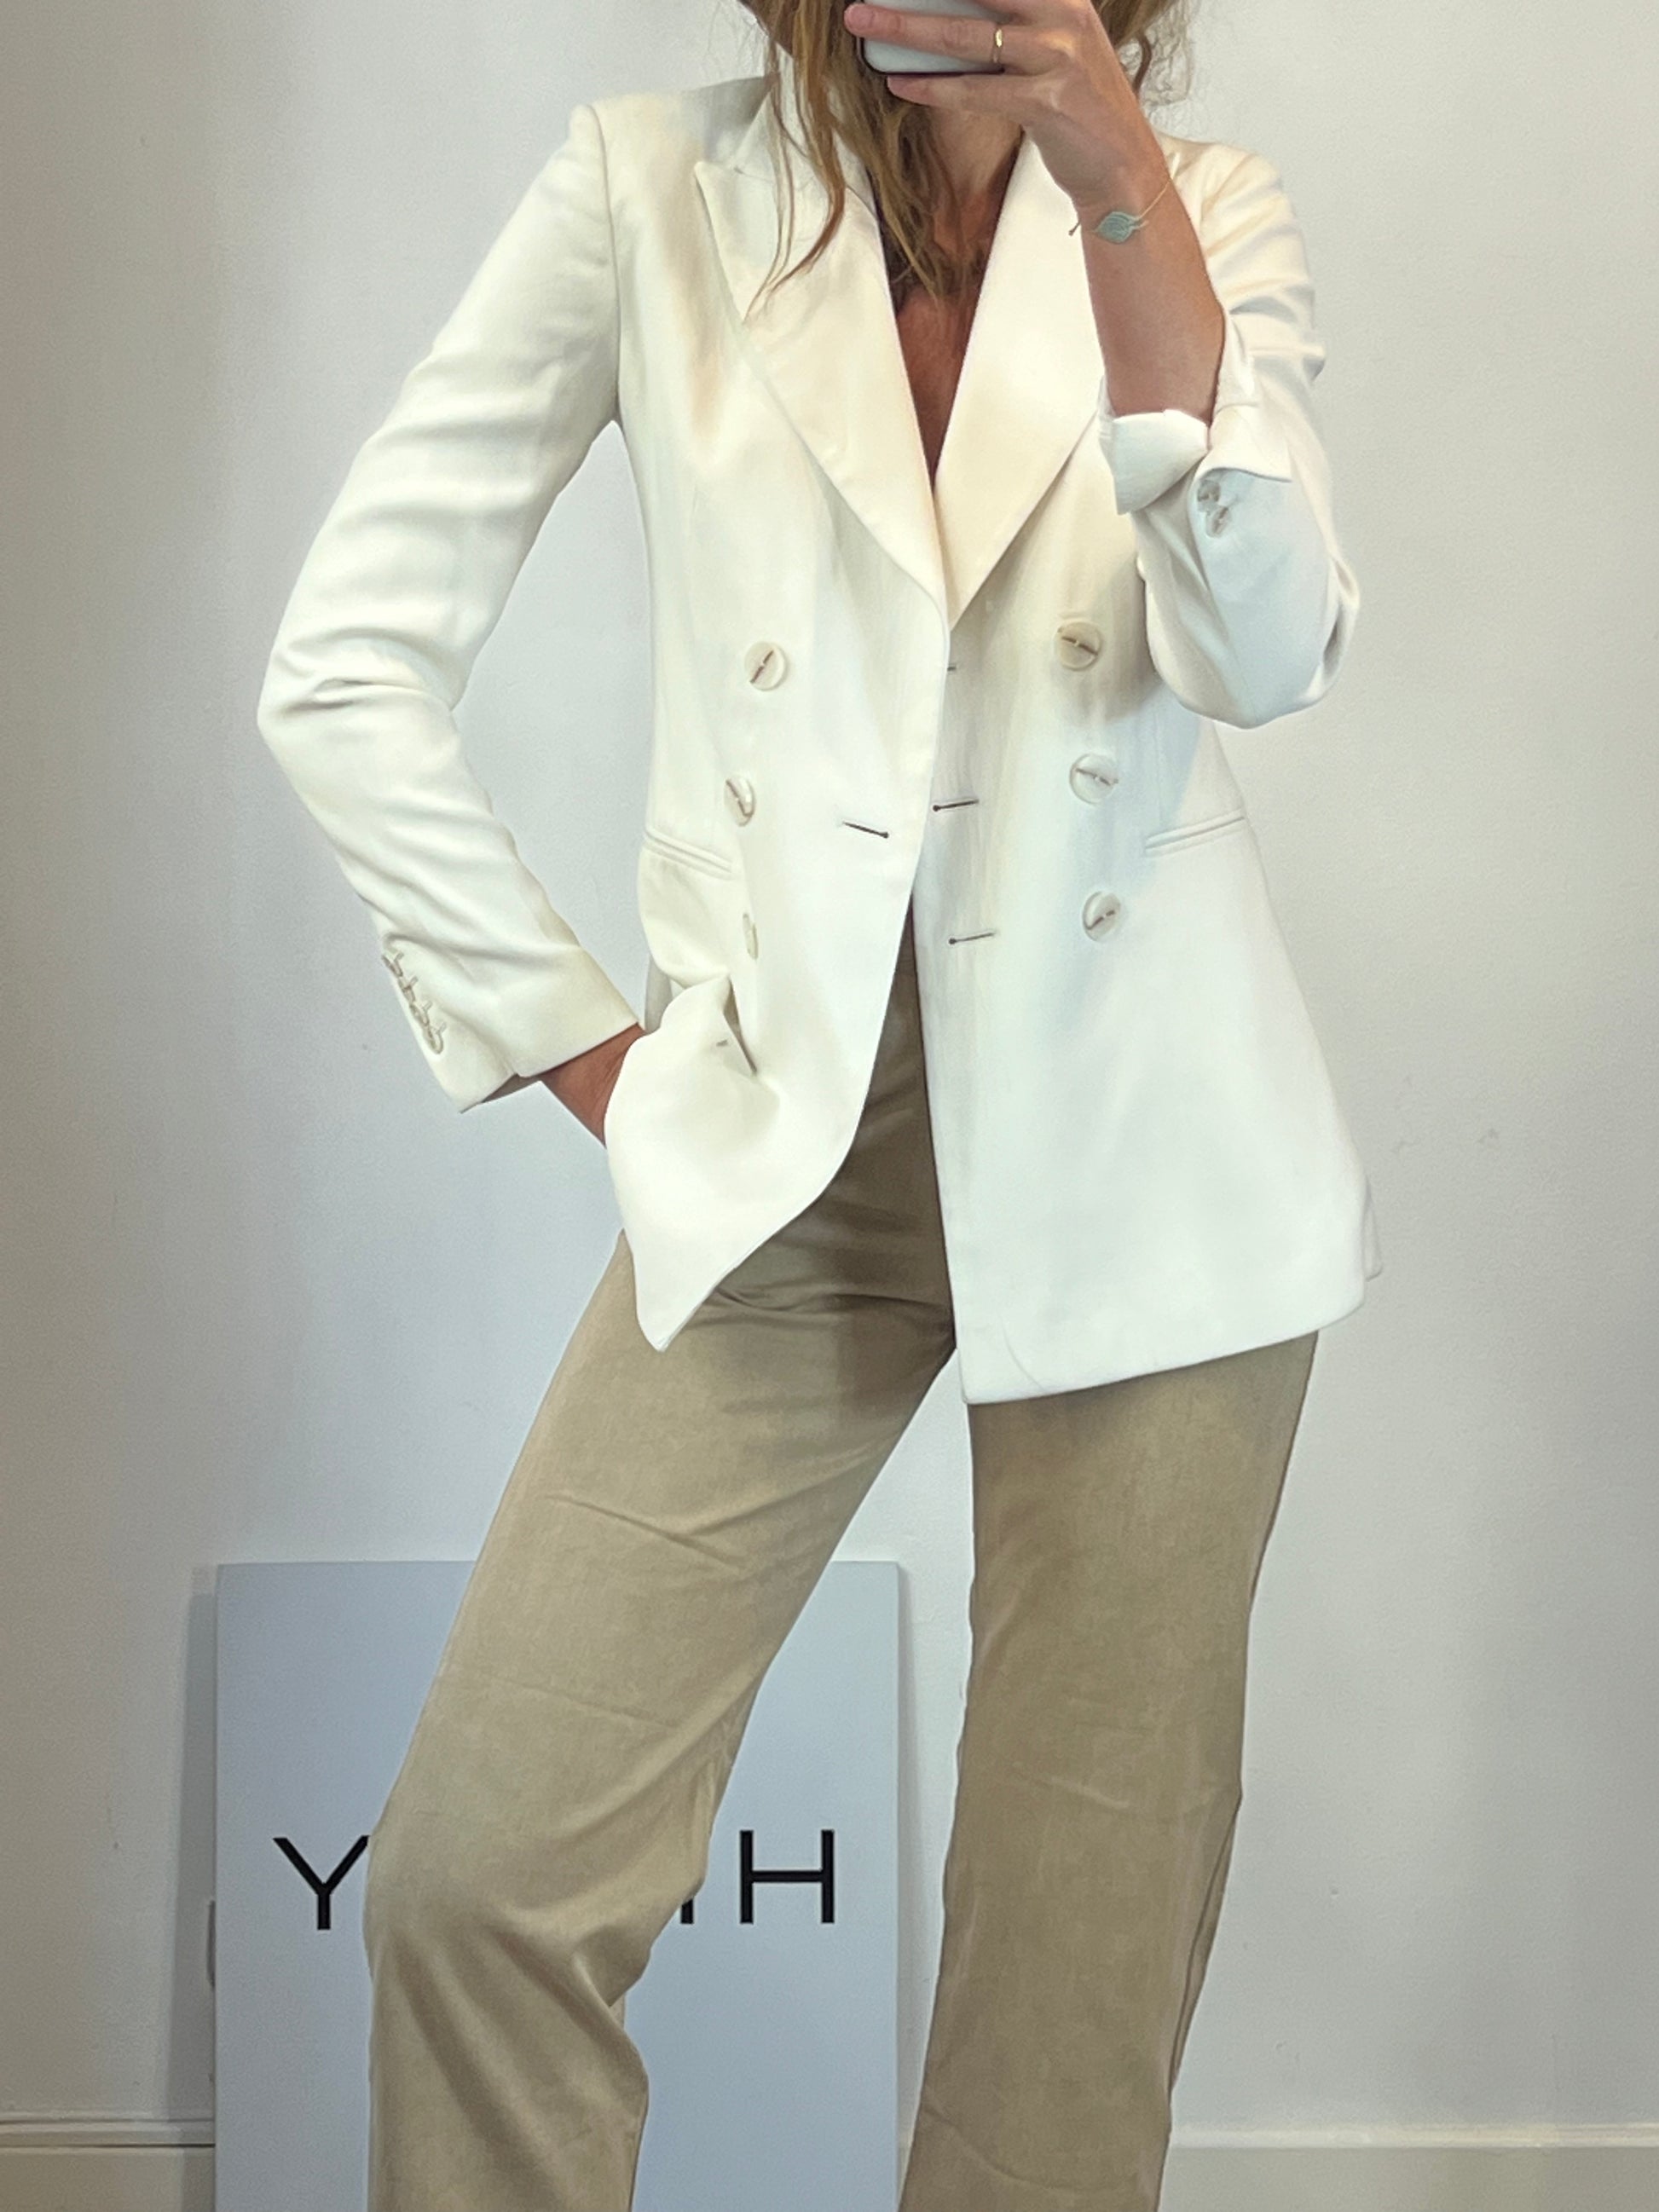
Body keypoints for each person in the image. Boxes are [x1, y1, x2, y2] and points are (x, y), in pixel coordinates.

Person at [256, 0, 1381, 2203]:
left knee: (1058, 2031)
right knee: (477, 1882)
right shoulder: (648, 191)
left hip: (1151, 1152)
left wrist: (1110, 170)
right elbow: (345, 666)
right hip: (791, 1140)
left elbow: (1262, 652)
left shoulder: (1199, 212)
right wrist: (586, 1050)